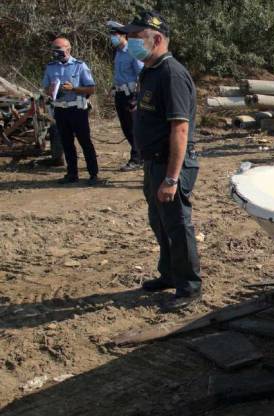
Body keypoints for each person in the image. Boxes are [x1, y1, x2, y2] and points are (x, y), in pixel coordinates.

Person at [122, 11, 202, 311]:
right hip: (153, 162)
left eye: (136, 37)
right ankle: (169, 274)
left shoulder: (171, 73)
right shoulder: (150, 70)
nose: (130, 42)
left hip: (171, 165)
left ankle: (190, 287)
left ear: (157, 39)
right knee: (159, 221)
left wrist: (171, 178)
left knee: (178, 226)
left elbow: (180, 128)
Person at [41, 37, 99, 184]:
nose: (56, 52)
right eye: (54, 49)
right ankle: (72, 174)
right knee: (66, 143)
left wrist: (73, 88)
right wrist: (51, 90)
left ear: (68, 49)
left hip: (77, 109)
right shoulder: (51, 67)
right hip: (60, 110)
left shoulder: (80, 66)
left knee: (85, 142)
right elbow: (45, 88)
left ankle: (93, 174)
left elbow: (91, 88)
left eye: (59, 49)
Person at [107, 20, 144, 171]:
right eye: (111, 35)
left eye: (115, 34)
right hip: (120, 94)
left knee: (134, 128)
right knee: (126, 128)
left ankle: (136, 158)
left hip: (131, 96)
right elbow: (120, 74)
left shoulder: (133, 52)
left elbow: (141, 75)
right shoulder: (118, 53)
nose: (113, 38)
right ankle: (139, 156)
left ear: (124, 35)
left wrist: (136, 98)